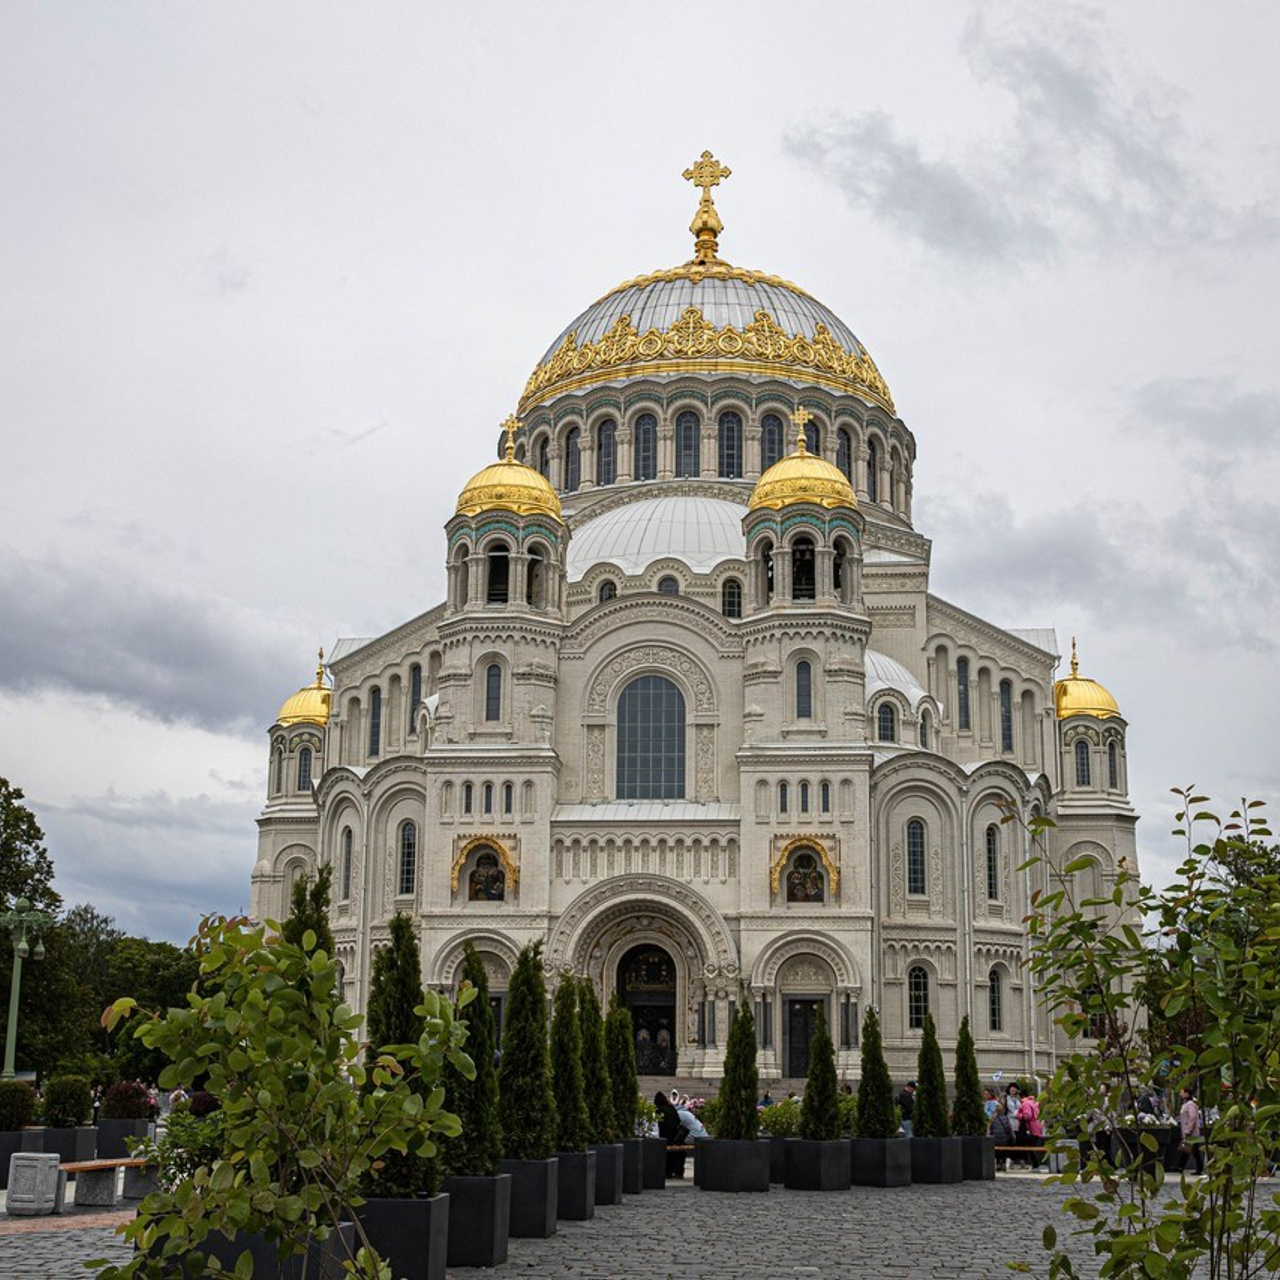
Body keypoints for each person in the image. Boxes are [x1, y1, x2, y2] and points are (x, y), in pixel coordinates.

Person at [654, 1091, 688, 1179]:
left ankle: (667, 1172)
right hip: (676, 1138)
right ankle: (677, 1171)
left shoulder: (658, 1111)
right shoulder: (671, 1108)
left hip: (666, 1139)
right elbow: (678, 1121)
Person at [1177, 1086, 1204, 1175]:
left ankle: (1199, 1168)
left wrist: (1188, 1129)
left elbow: (1193, 1117)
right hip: (1189, 1131)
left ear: (1187, 1093)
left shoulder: (1191, 1104)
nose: (1180, 1094)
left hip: (1191, 1132)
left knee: (1194, 1151)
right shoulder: (1187, 1104)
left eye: (1182, 1092)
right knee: (1187, 1149)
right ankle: (1180, 1166)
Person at [1016, 1089, 1045, 1169]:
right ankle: (1035, 1166)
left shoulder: (1025, 1104)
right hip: (1037, 1127)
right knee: (1033, 1146)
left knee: (1030, 1147)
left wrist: (1018, 1115)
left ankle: (1036, 1166)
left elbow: (1027, 1116)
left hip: (1030, 1127)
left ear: (1021, 1096)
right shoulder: (1034, 1103)